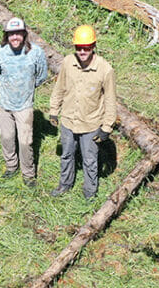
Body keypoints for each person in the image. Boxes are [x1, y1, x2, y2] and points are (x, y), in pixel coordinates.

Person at [47, 25, 117, 200]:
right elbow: (59, 87)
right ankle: (65, 184)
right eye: (79, 47)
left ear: (93, 46)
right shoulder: (67, 63)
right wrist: (54, 110)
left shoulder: (105, 69)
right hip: (68, 121)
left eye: (86, 47)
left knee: (90, 160)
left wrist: (107, 127)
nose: (83, 51)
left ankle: (90, 191)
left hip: (91, 124)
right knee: (66, 155)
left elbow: (110, 100)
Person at [0, 17, 48, 188]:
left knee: (25, 142)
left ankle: (28, 174)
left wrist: (28, 88)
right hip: (4, 103)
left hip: (24, 105)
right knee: (7, 138)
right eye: (11, 34)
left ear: (24, 34)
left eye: (18, 33)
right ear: (6, 35)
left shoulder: (36, 53)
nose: (15, 37)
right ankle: (11, 166)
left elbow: (41, 75)